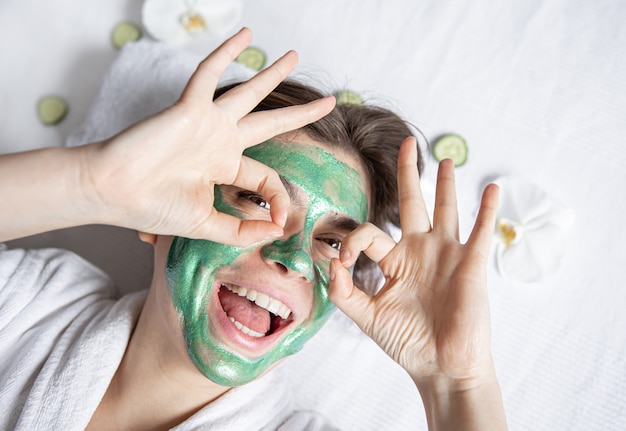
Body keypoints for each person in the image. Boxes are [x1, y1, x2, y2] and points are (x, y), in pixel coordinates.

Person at [0, 28, 507, 430]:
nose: (296, 257)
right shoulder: (30, 305)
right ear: (159, 215)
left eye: (332, 241)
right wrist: (94, 182)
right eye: (258, 199)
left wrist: (457, 388)